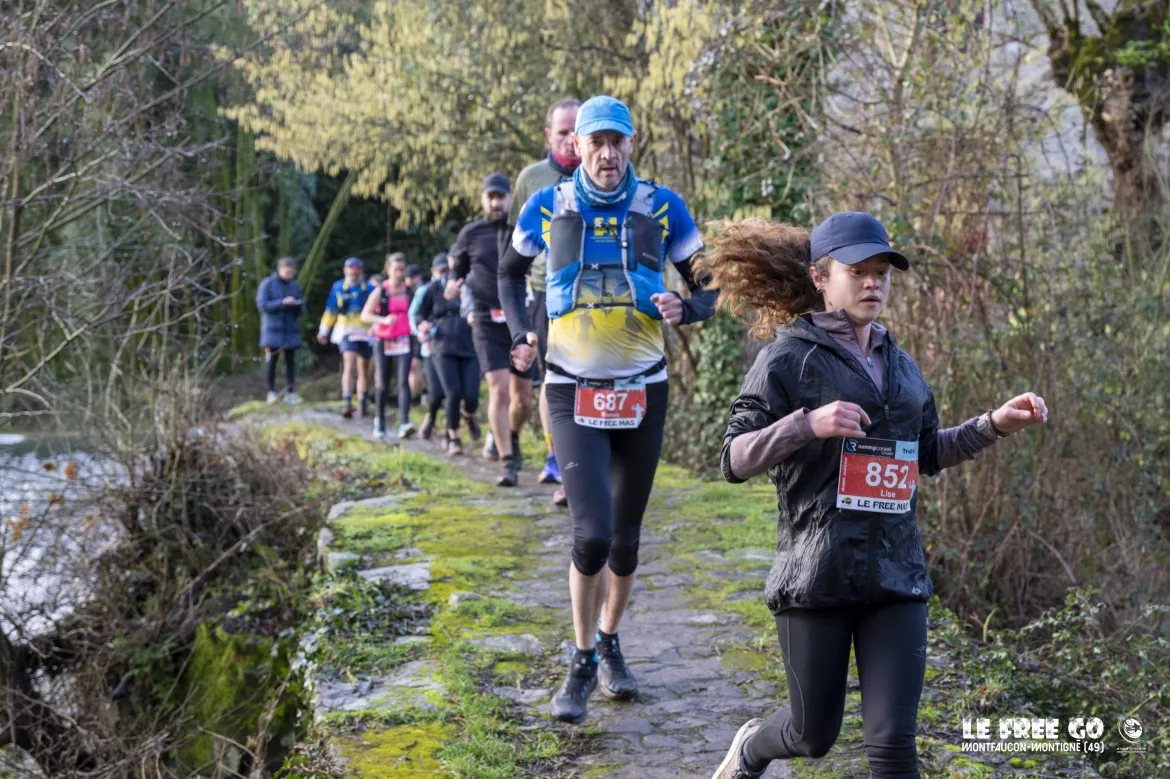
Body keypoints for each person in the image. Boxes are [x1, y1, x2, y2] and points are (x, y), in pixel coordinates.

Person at [701, 214, 1049, 779]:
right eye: (857, 271)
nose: (873, 283)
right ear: (820, 278)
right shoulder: (788, 358)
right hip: (817, 575)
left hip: (896, 575)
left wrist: (994, 423)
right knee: (812, 735)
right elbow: (733, 459)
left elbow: (926, 452)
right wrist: (807, 424)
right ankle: (750, 751)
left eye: (881, 273)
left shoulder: (902, 366)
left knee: (892, 744)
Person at [499, 95, 717, 723]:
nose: (606, 154)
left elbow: (710, 285)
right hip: (571, 388)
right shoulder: (547, 205)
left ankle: (612, 638)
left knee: (624, 541)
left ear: (631, 145)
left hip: (644, 389)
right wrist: (521, 333)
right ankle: (581, 657)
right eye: (595, 142)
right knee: (591, 534)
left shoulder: (663, 206)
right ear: (578, 147)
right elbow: (509, 274)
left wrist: (687, 308)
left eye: (617, 142)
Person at [510, 96, 582, 506]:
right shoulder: (531, 179)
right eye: (563, 132)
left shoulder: (606, 171)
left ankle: (589, 462)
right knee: (555, 376)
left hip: (597, 294)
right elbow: (512, 244)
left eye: (578, 131)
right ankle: (557, 457)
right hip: (544, 290)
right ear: (548, 135)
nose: (571, 140)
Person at [450, 172, 536, 487]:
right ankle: (508, 462)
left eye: (501, 197)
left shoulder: (523, 231)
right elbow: (458, 268)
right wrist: (453, 284)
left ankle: (511, 434)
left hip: (519, 320)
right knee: (498, 389)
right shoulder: (470, 234)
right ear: (483, 199)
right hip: (486, 320)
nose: (496, 203)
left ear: (510, 198)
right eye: (491, 197)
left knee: (523, 400)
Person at [415, 251, 484, 456]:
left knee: (471, 395)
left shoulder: (474, 285)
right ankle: (453, 437)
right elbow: (419, 313)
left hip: (470, 345)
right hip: (443, 346)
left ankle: (467, 415)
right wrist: (422, 325)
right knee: (452, 393)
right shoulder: (433, 288)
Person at [360, 253, 417, 440]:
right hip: (384, 340)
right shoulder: (380, 291)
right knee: (382, 383)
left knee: (403, 381)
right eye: (396, 270)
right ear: (388, 269)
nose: (399, 274)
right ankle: (380, 420)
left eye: (402, 270)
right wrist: (383, 320)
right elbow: (365, 315)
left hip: (404, 339)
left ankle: (405, 422)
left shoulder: (410, 291)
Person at [318, 257, 376, 418]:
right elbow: (331, 310)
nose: (353, 274)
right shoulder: (338, 287)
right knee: (349, 363)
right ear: (345, 271)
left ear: (361, 272)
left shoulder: (370, 288)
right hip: (346, 331)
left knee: (363, 368)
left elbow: (377, 310)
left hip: (366, 333)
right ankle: (347, 400)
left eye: (356, 271)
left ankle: (362, 400)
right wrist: (323, 331)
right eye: (350, 270)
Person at [256, 256, 307, 404]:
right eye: (286, 272)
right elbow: (262, 306)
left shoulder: (295, 285)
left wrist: (296, 305)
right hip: (272, 330)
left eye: (291, 273)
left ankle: (290, 392)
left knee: (290, 362)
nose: (289, 275)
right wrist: (282, 303)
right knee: (271, 361)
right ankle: (271, 392)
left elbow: (302, 308)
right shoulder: (268, 284)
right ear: (279, 269)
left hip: (290, 330)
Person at [410, 254, 449, 439]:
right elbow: (414, 315)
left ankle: (451, 432)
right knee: (437, 391)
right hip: (431, 348)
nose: (444, 274)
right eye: (441, 271)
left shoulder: (457, 287)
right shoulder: (425, 290)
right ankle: (431, 418)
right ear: (433, 271)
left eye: (447, 270)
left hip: (453, 348)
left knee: (453, 392)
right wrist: (421, 331)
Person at [405, 263, 427, 402]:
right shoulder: (407, 291)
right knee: (414, 366)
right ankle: (420, 393)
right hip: (410, 333)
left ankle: (414, 397)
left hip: (419, 333)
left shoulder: (424, 290)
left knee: (416, 365)